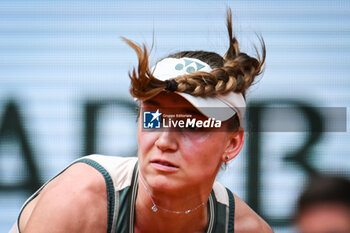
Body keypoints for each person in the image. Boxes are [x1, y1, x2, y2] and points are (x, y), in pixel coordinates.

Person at [10, 9, 273, 233]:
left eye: (192, 124)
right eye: (154, 117)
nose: (165, 141)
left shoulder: (250, 228)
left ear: (232, 143)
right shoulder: (78, 199)